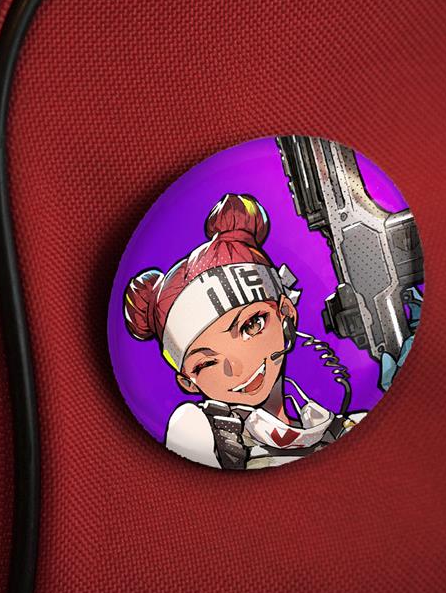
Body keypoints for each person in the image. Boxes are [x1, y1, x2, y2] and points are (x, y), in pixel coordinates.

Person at [123, 193, 367, 470]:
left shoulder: (328, 420)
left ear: (286, 313)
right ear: (188, 383)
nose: (236, 367)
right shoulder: (203, 431)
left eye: (252, 325)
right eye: (206, 363)